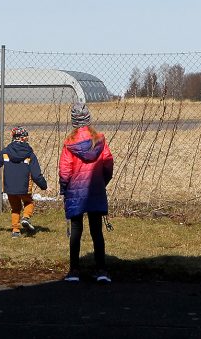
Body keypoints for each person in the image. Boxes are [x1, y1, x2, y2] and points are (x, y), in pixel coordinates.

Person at [59, 102, 114, 282]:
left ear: (74, 121)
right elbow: (108, 163)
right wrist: (102, 181)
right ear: (88, 119)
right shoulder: (99, 140)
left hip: (75, 191)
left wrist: (64, 188)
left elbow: (65, 170)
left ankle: (74, 270)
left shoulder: (69, 144)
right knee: (96, 230)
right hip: (95, 189)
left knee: (76, 229)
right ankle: (101, 271)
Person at [0, 126, 47, 238]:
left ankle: (15, 231)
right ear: (23, 138)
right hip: (24, 187)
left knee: (15, 208)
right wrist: (44, 186)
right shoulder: (30, 154)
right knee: (29, 203)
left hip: (10, 188)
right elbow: (36, 175)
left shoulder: (6, 152)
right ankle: (26, 218)